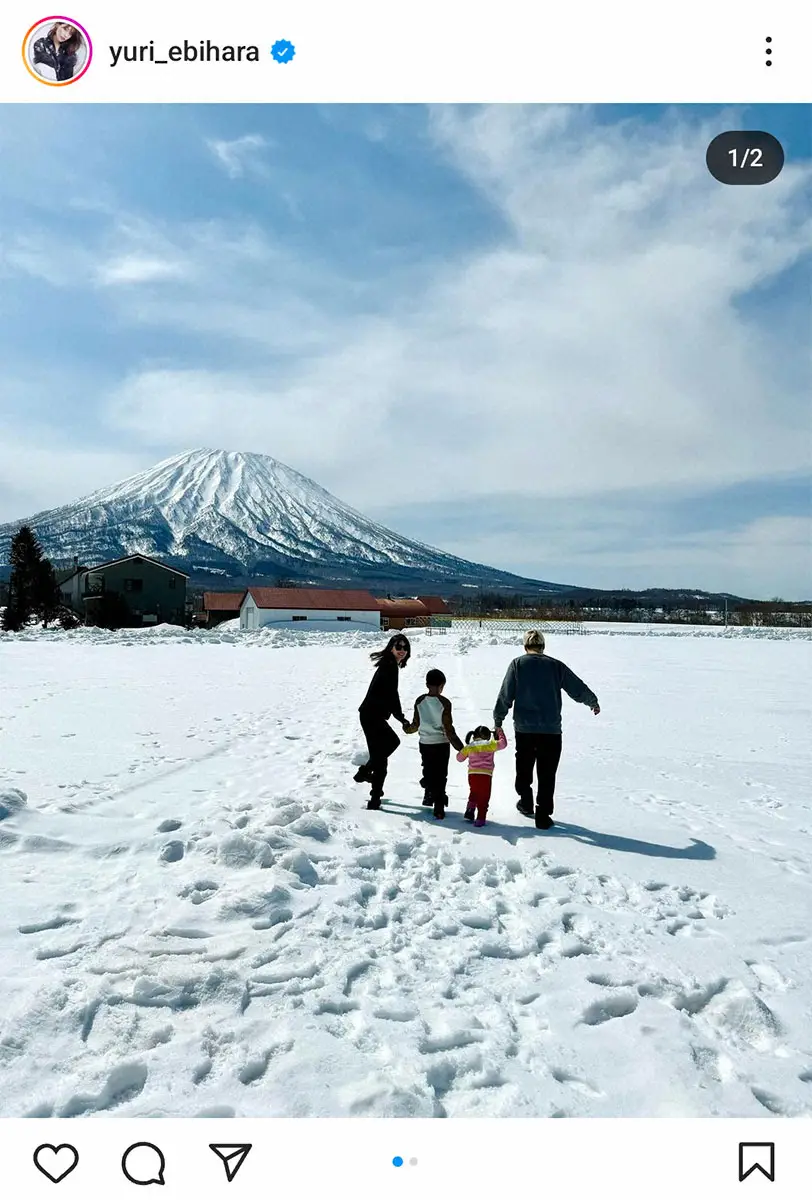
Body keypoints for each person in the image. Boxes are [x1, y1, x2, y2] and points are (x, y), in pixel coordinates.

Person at [493, 630, 599, 830]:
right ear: (543, 646)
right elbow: (576, 688)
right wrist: (592, 701)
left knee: (524, 767)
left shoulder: (517, 664)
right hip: (551, 730)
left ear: (525, 646)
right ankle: (542, 814)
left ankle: (525, 801)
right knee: (547, 773)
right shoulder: (555, 666)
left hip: (524, 729)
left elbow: (506, 694)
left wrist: (498, 720)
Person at [354, 634, 411, 810]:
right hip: (371, 716)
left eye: (405, 647)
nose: (402, 650)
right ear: (391, 648)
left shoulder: (390, 664)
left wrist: (399, 716)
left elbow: (390, 694)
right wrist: (401, 718)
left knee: (381, 757)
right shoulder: (389, 666)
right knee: (392, 743)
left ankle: (375, 798)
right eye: (398, 647)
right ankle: (365, 772)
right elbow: (392, 695)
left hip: (372, 715)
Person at [404, 668, 463, 820]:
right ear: (442, 686)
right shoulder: (445, 703)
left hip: (425, 743)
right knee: (441, 774)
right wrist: (461, 748)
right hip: (441, 743)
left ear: (427, 684)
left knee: (428, 769)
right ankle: (439, 807)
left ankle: (429, 792)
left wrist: (407, 728)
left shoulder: (419, 701)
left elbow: (416, 724)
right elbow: (449, 729)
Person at [456, 726, 508, 827]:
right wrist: (500, 732)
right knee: (484, 796)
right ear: (487, 736)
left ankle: (470, 809)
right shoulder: (490, 744)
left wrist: (465, 750)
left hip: (472, 775)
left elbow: (459, 758)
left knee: (474, 792)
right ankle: (480, 818)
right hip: (485, 775)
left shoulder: (470, 746)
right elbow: (503, 744)